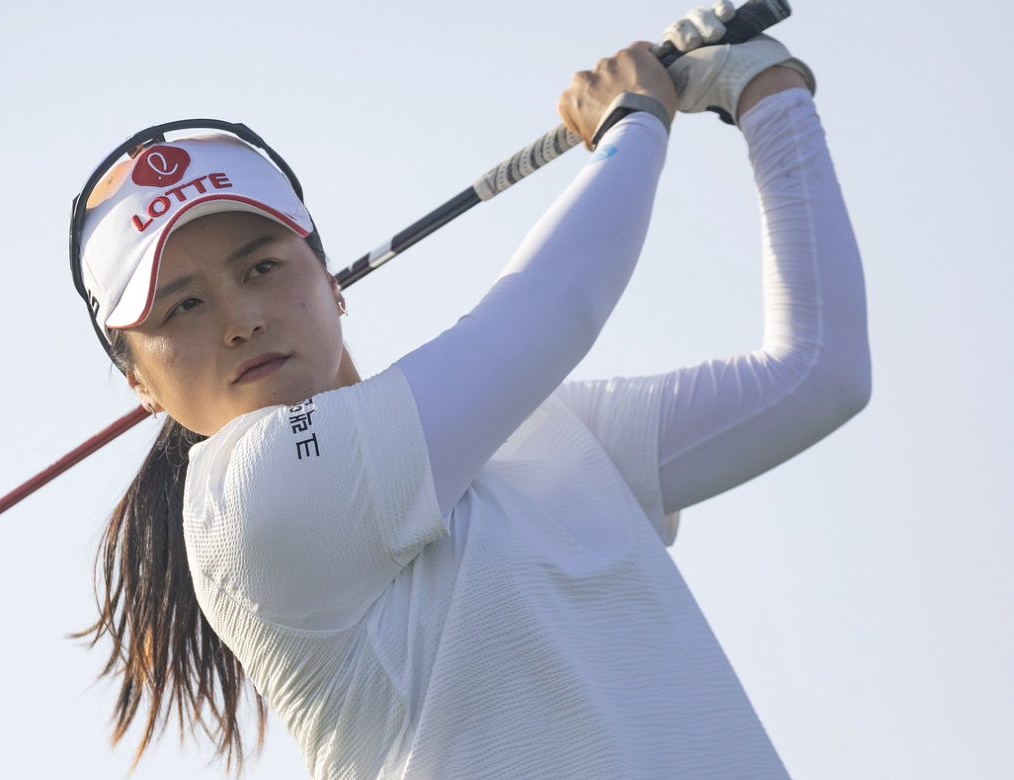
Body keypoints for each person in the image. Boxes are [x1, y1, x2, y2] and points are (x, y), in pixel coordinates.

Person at [69, 5, 869, 778]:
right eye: (182, 307)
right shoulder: (245, 502)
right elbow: (551, 308)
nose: (240, 319)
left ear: (331, 281)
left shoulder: (543, 434)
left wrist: (764, 92)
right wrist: (633, 120)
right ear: (139, 383)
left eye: (262, 266)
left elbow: (817, 376)